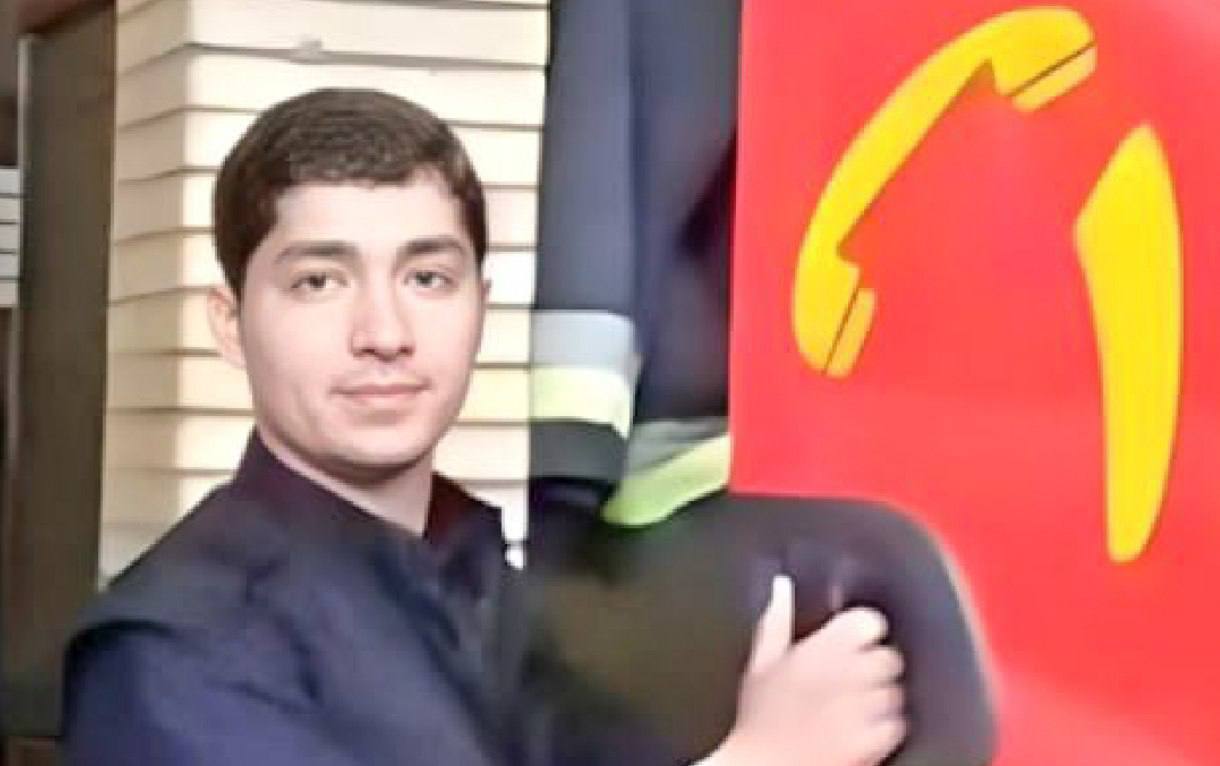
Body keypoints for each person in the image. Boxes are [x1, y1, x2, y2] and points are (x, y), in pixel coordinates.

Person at [62, 88, 907, 766]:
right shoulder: (171, 655)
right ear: (230, 321)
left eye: (428, 277)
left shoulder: (495, 590)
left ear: (480, 305)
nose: (385, 332)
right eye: (320, 282)